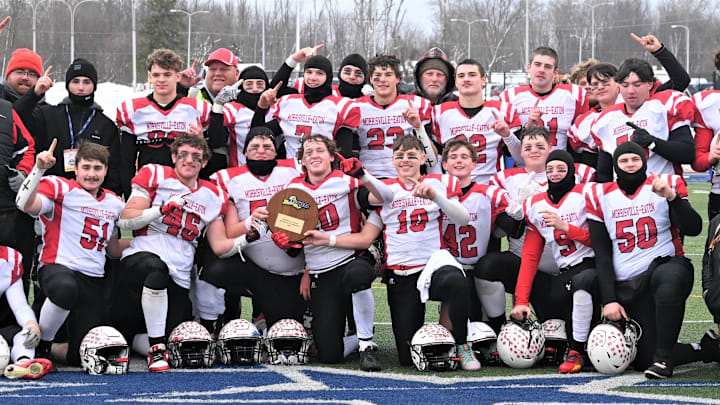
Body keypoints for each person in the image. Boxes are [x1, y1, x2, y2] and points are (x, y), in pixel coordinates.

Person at [305, 135, 480, 370]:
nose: (405, 160)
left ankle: (462, 345)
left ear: (422, 158)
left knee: (457, 281)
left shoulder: (438, 182)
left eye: (411, 155)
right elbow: (366, 238)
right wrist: (326, 239)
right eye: (399, 156)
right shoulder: (385, 191)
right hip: (401, 273)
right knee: (407, 359)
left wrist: (435, 197)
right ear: (392, 160)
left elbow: (464, 219)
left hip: (432, 266)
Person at [114, 133, 249, 372]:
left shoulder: (213, 194)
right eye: (183, 155)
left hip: (180, 271)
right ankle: (155, 349)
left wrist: (249, 237)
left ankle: (139, 343)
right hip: (143, 257)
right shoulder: (155, 174)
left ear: (204, 162)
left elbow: (219, 246)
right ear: (174, 157)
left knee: (177, 337)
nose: (190, 160)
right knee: (157, 271)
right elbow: (126, 220)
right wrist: (161, 210)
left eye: (196, 157)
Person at [585, 141, 702, 378]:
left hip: (666, 267)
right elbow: (602, 251)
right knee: (643, 358)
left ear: (644, 160)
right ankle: (703, 349)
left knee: (668, 277)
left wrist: (672, 198)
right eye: (624, 160)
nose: (630, 164)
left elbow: (694, 228)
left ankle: (664, 361)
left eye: (635, 159)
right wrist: (609, 300)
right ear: (616, 165)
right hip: (630, 284)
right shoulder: (600, 195)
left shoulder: (666, 183)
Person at [282, 134, 392, 371]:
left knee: (357, 276)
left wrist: (363, 174)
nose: (314, 155)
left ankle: (366, 344)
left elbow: (384, 198)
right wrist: (286, 243)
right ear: (301, 160)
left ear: (332, 156)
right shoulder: (293, 189)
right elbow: (294, 241)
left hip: (350, 258)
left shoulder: (347, 181)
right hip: (320, 271)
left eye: (319, 150)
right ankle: (360, 335)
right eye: (308, 152)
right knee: (329, 355)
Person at [15, 141, 126, 367]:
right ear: (75, 169)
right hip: (58, 268)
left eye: (97, 168)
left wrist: (149, 244)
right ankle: (43, 347)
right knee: (66, 289)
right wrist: (39, 169)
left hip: (93, 280)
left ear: (106, 170)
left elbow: (113, 249)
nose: (91, 174)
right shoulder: (61, 188)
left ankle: (51, 345)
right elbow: (25, 204)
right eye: (86, 167)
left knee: (82, 355)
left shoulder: (115, 202)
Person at [474, 127, 595, 330]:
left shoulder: (581, 174)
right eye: (528, 147)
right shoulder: (505, 178)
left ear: (550, 148)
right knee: (487, 266)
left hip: (572, 264)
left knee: (564, 327)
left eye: (540, 146)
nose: (534, 151)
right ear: (520, 151)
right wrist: (518, 209)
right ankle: (498, 328)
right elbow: (506, 229)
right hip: (527, 263)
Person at [195, 127, 304, 334]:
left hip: (294, 265)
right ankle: (209, 325)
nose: (260, 150)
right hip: (256, 268)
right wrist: (250, 223)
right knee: (214, 269)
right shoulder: (227, 178)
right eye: (254, 146)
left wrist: (293, 236)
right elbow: (229, 232)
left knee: (288, 331)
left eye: (267, 146)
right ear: (244, 151)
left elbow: (308, 210)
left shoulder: (294, 169)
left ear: (276, 151)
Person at [509, 150, 597, 374]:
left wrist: (568, 228)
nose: (555, 174)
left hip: (594, 269)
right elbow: (530, 256)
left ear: (571, 171)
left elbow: (601, 242)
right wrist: (521, 300)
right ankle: (578, 344)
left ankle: (577, 350)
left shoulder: (586, 194)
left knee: (582, 285)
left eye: (561, 169)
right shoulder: (537, 205)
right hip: (565, 273)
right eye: (550, 170)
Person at [440, 138, 523, 330]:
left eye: (464, 157)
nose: (459, 161)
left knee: (481, 329)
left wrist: (518, 213)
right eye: (453, 157)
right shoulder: (435, 191)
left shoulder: (489, 193)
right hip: (449, 269)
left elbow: (513, 226)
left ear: (474, 163)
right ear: (444, 164)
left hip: (478, 269)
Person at [17, 58, 121, 195]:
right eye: (75, 81)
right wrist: (35, 93)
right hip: (50, 193)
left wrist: (107, 200)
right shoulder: (48, 114)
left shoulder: (106, 125)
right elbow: (16, 118)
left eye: (87, 82)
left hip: (89, 198)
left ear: (94, 85)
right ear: (67, 85)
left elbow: (113, 169)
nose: (81, 87)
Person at [117, 49, 211, 197]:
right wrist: (130, 194)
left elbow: (207, 156)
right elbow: (126, 160)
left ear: (177, 76)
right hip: (147, 187)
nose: (161, 79)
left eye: (167, 75)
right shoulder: (134, 111)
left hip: (185, 188)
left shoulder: (196, 109)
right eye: (156, 75)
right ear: (149, 77)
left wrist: (201, 140)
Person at [589, 58, 694, 182]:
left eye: (637, 85)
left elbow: (688, 154)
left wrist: (653, 143)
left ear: (649, 84)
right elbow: (604, 172)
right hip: (625, 197)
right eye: (625, 85)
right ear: (618, 85)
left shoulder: (664, 106)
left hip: (664, 192)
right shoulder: (606, 119)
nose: (631, 91)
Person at [432, 59, 523, 184]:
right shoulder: (440, 113)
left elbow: (520, 159)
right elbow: (435, 158)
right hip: (453, 187)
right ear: (456, 82)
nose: (466, 79)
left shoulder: (503, 110)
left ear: (484, 80)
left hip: (489, 186)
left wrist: (507, 135)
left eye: (472, 75)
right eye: (461, 76)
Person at [252, 55, 359, 159]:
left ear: (328, 77)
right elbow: (257, 136)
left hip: (323, 172)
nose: (313, 78)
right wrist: (261, 108)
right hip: (291, 172)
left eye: (320, 73)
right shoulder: (288, 103)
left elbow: (344, 156)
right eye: (309, 72)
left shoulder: (340, 107)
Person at [348, 54, 435, 178]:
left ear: (398, 78)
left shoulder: (415, 105)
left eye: (388, 75)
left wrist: (418, 127)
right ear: (371, 79)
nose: (383, 80)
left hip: (405, 178)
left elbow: (431, 160)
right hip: (369, 178)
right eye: (377, 76)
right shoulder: (356, 107)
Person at [500, 47, 589, 152]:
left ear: (555, 73)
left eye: (547, 66)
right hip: (524, 165)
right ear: (528, 68)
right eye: (537, 64)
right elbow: (506, 148)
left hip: (559, 164)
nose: (541, 70)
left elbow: (581, 141)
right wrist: (528, 127)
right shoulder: (510, 97)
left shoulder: (574, 95)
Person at [0, 245, 52, 379]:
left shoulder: (8, 260)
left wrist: (32, 324)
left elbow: (20, 306)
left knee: (25, 334)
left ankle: (23, 362)